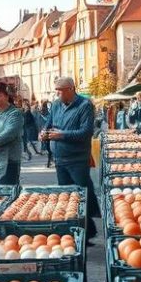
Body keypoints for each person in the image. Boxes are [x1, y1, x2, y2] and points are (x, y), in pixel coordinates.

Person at [41, 76, 99, 241]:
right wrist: (43, 132)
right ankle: (76, 230)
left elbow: (86, 132)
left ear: (71, 89)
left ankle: (86, 232)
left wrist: (62, 135)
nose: (57, 94)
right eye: (56, 91)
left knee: (81, 194)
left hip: (78, 159)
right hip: (59, 158)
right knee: (66, 196)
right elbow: (49, 124)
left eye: (60, 91)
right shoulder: (56, 105)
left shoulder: (84, 105)